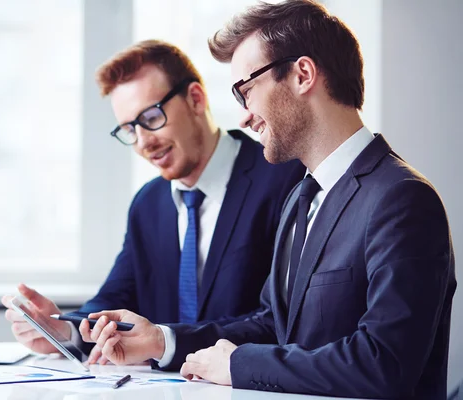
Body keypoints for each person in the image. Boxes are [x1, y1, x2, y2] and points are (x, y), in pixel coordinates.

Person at [78, 2, 457, 398]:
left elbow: (384, 363)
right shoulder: (302, 198)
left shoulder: (401, 199)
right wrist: (163, 340)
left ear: (303, 75)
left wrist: (238, 365)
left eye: (246, 91)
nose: (243, 116)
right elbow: (272, 323)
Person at [1, 40, 304, 363]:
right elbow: (116, 296)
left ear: (195, 99)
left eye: (151, 117)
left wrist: (167, 342)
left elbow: (280, 321)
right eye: (130, 129)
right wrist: (64, 330)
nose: (144, 141)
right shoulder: (148, 204)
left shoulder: (283, 177)